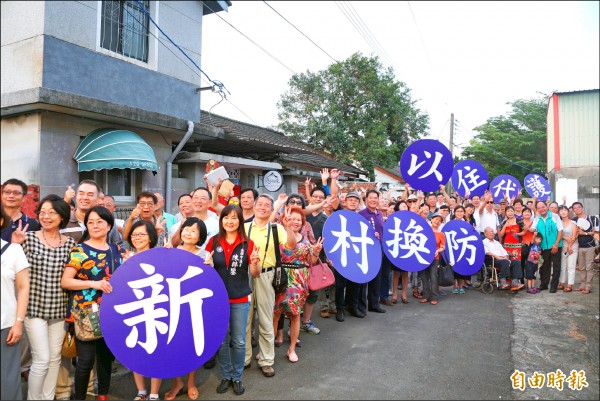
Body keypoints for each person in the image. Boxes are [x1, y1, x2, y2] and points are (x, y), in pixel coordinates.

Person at [15, 195, 76, 400]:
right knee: (41, 359)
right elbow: (12, 269)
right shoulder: (29, 238)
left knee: (54, 359)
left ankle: (47, 397)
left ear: (62, 217)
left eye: (51, 212)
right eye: (42, 212)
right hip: (34, 310)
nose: (46, 216)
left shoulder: (70, 244)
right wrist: (15, 245)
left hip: (59, 310)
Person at [61, 206, 124, 401]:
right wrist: (93, 283)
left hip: (111, 312)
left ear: (109, 225)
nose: (95, 226)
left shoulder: (118, 250)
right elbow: (66, 281)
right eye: (90, 222)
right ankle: (80, 397)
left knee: (106, 359)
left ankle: (102, 395)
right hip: (86, 313)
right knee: (85, 361)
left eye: (99, 222)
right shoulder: (80, 250)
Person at [205, 205, 260, 395]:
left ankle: (237, 377)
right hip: (218, 299)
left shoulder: (248, 243)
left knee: (238, 341)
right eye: (226, 217)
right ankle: (225, 375)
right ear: (221, 220)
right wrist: (209, 265)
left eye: (234, 218)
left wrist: (255, 263)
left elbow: (255, 274)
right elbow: (206, 269)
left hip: (240, 298)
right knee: (221, 341)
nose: (230, 221)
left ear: (240, 221)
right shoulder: (213, 242)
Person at [244, 194, 296, 377]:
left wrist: (289, 227)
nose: (263, 207)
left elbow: (290, 246)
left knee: (266, 319)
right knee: (246, 319)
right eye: (260, 204)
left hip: (267, 276)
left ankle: (266, 360)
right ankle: (245, 358)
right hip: (246, 275)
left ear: (271, 209)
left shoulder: (277, 228)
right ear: (254, 206)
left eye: (267, 205)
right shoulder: (244, 227)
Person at [165, 217, 208, 401]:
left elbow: (209, 284)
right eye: (185, 229)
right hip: (173, 305)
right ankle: (177, 382)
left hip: (195, 306)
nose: (188, 233)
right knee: (174, 345)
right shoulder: (171, 252)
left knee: (191, 346)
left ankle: (191, 382)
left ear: (200, 236)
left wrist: (210, 268)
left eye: (193, 230)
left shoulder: (205, 255)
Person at [272, 206, 323, 363]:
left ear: (303, 223)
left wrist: (316, 252)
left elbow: (311, 262)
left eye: (298, 220)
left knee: (295, 316)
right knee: (275, 314)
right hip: (281, 279)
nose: (295, 221)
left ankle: (292, 349)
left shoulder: (305, 240)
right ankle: (269, 351)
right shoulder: (279, 236)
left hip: (299, 281)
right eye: (292, 218)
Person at [125, 221, 162, 401]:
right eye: (134, 235)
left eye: (141, 235)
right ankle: (141, 391)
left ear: (151, 237)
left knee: (157, 352)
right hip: (134, 311)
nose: (137, 238)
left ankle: (154, 393)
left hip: (157, 309)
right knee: (136, 351)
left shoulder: (160, 256)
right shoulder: (127, 258)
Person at [1, 205, 30, 400]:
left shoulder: (14, 250)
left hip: (5, 324)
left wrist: (19, 322)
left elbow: (23, 288)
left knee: (8, 379)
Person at [358, 190, 387, 313]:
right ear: (366, 199)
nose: (374, 200)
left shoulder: (379, 213)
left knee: (377, 277)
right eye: (371, 198)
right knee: (364, 278)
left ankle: (374, 304)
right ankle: (362, 306)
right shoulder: (361, 214)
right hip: (365, 249)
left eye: (376, 198)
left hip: (378, 248)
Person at [529, 201, 563, 293]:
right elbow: (532, 228)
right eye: (539, 208)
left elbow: (560, 231)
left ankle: (553, 286)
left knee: (556, 267)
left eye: (543, 207)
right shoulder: (537, 218)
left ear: (547, 206)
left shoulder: (555, 216)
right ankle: (544, 285)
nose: (541, 209)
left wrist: (556, 244)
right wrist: (527, 228)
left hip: (555, 246)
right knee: (544, 266)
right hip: (543, 247)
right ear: (537, 209)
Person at [1, 178, 41, 242]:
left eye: (16, 193)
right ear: (2, 195)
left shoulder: (33, 224)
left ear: (24, 198)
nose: (11, 196)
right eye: (7, 192)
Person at [572, 202, 599, 294]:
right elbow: (573, 233)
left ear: (582, 208)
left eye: (579, 207)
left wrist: (585, 233)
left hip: (590, 246)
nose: (577, 209)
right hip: (579, 246)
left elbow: (596, 232)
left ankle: (588, 286)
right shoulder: (574, 220)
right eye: (575, 208)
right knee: (581, 267)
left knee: (589, 267)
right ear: (573, 210)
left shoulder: (592, 219)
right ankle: (582, 285)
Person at [419, 213, 446, 305]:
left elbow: (443, 247)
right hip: (424, 257)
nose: (437, 221)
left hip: (435, 258)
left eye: (439, 220)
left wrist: (438, 251)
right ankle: (426, 296)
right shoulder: (425, 230)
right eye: (435, 219)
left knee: (433, 277)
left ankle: (434, 297)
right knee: (424, 277)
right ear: (431, 219)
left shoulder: (441, 234)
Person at [558, 206, 578, 292]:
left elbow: (574, 236)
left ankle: (570, 284)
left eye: (565, 210)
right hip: (563, 247)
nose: (563, 212)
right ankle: (561, 282)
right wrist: (565, 238)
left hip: (572, 247)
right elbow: (558, 235)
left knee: (571, 266)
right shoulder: (559, 223)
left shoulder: (573, 223)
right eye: (561, 211)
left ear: (568, 212)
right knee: (563, 266)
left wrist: (569, 246)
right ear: (559, 213)